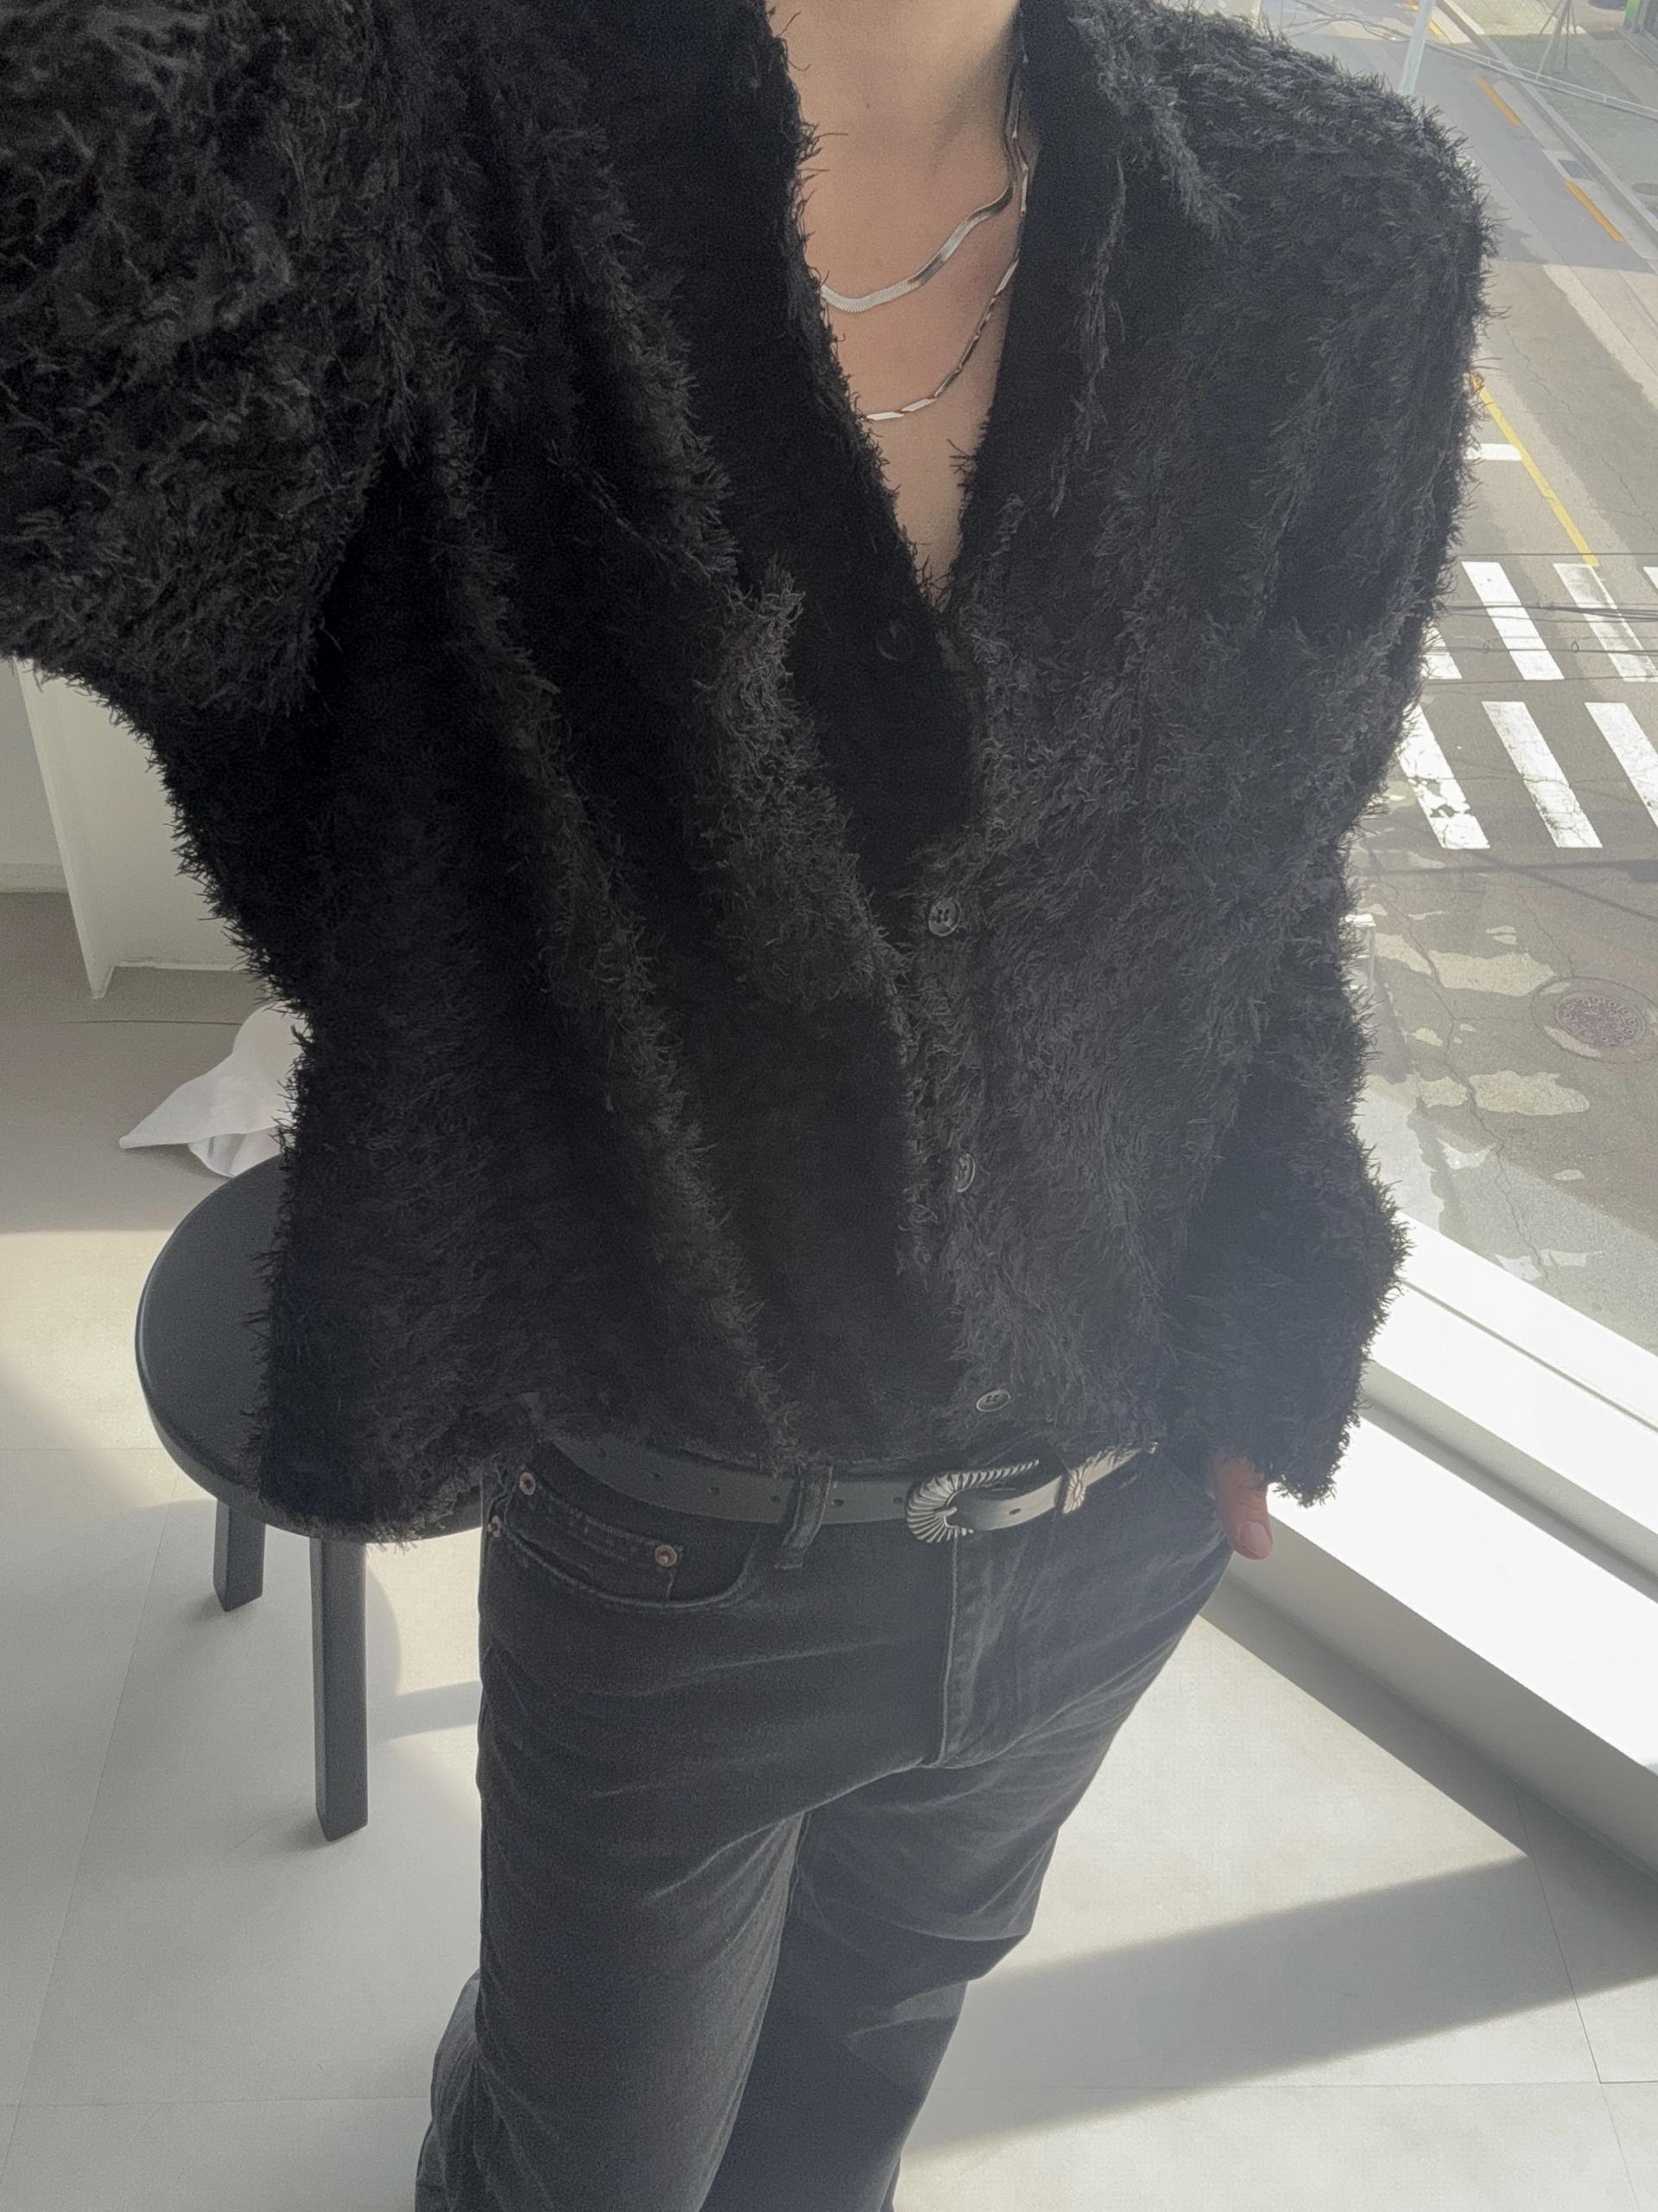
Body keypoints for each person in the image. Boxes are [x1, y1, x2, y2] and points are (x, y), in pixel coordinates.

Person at [0, 0, 1493, 2205]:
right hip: (673, 1526)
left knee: (860, 2071)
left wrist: (1272, 1308)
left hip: (1122, 1494)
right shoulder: (407, 161)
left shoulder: (1335, 218)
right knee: (582, 2156)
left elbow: (1278, 869)